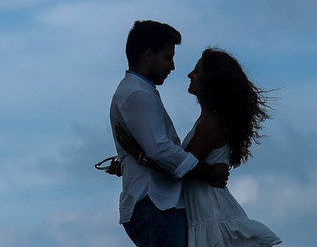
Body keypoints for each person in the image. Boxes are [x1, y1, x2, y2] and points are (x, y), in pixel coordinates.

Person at [115, 47, 281, 247]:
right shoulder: (207, 120)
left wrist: (137, 153)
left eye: (196, 71)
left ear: (211, 81)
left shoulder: (211, 122)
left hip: (209, 210)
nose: (189, 75)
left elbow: (178, 168)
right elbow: (178, 162)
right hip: (204, 209)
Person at [110, 21, 230, 247]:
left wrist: (135, 157)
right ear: (149, 55)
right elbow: (161, 151)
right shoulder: (138, 94)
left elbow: (157, 151)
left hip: (156, 203)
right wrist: (210, 172)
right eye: (168, 57)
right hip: (157, 203)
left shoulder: (139, 91)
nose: (173, 66)